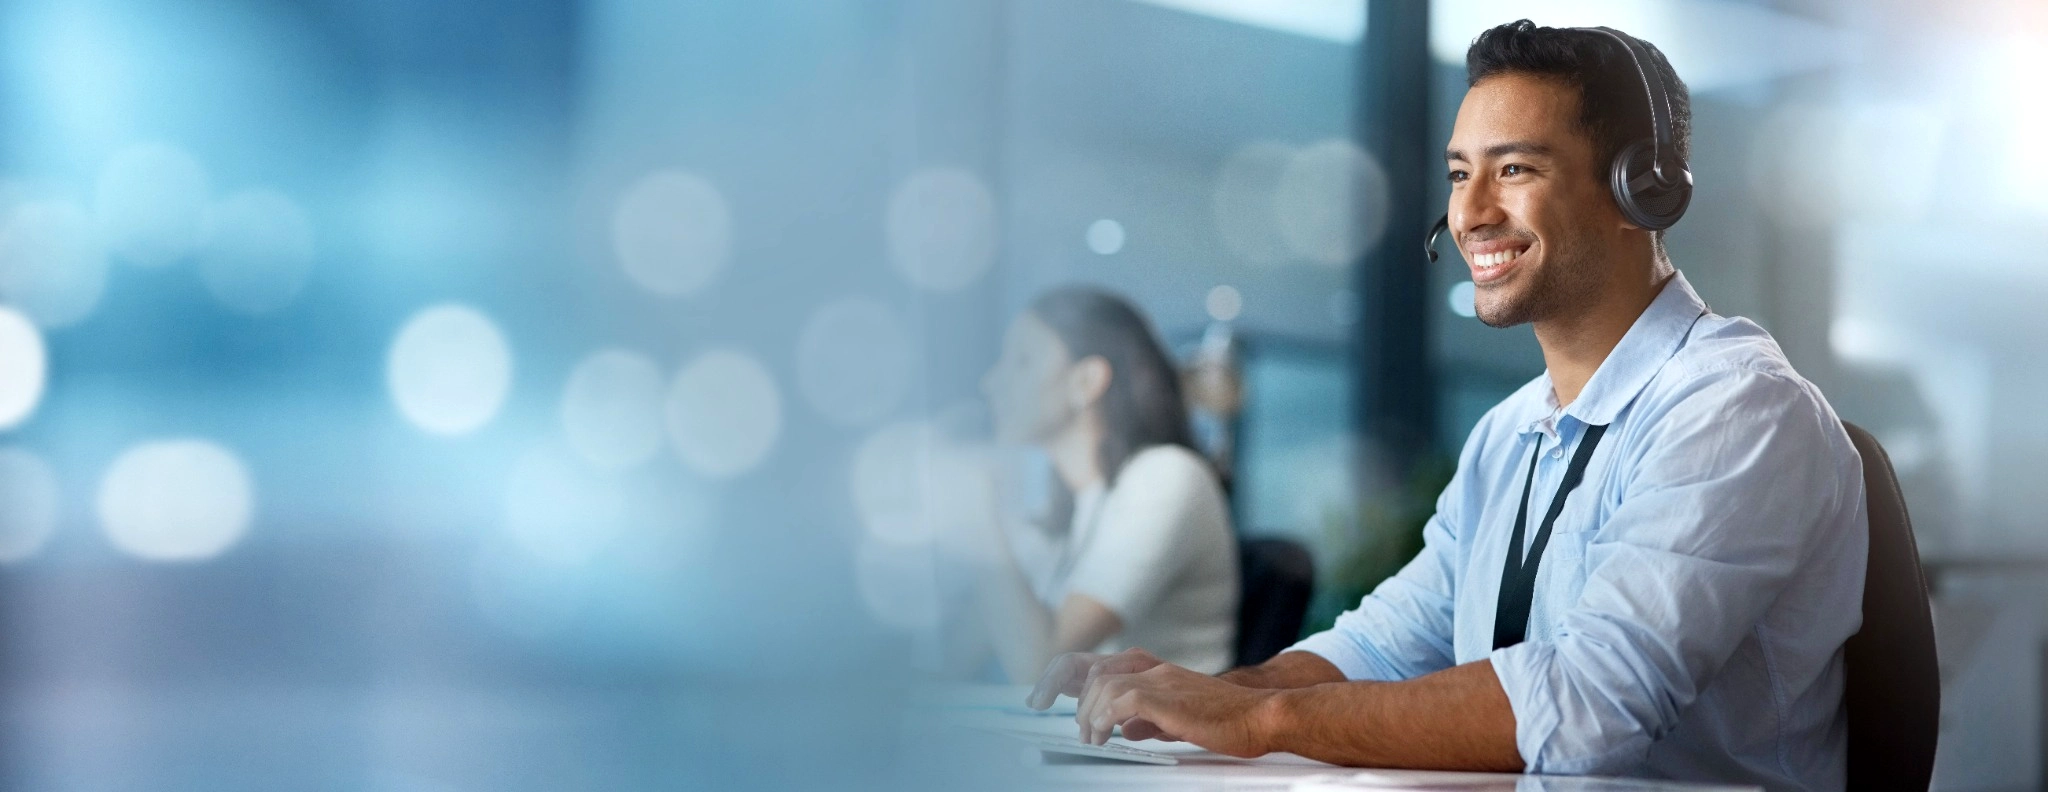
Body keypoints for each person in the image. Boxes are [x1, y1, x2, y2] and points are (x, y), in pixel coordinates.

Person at [1026, 21, 1867, 792]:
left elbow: (1589, 706)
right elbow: (1384, 645)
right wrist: (1204, 695)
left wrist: (1260, 721)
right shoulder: (1511, 434)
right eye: (1461, 174)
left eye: (1515, 169)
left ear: (1637, 189)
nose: (1469, 213)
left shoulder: (1736, 408)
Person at [972, 286, 1239, 683]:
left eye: (1022, 362)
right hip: (1090, 721)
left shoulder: (1166, 476)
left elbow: (1039, 666)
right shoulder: (1072, 506)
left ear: (1087, 380)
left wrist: (977, 516)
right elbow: (970, 648)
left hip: (1152, 723)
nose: (991, 383)